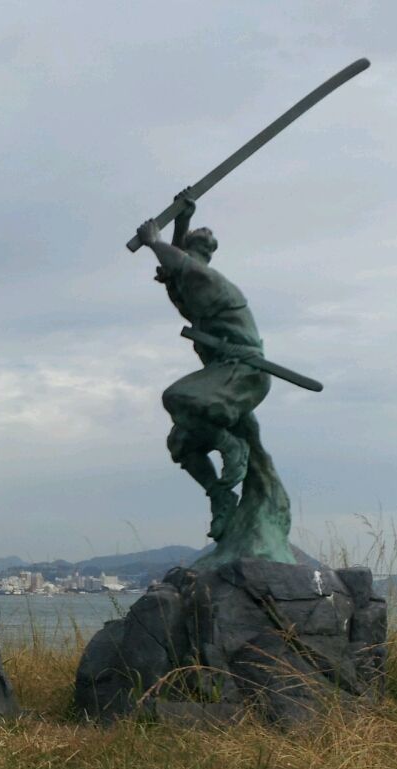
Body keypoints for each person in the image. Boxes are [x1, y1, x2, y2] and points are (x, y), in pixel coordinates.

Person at [135, 192, 272, 540]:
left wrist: (154, 241)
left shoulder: (209, 281)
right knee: (182, 441)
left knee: (176, 397)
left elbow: (179, 264)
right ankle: (220, 497)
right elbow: (177, 266)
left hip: (244, 371)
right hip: (224, 371)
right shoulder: (189, 285)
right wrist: (182, 219)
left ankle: (231, 446)